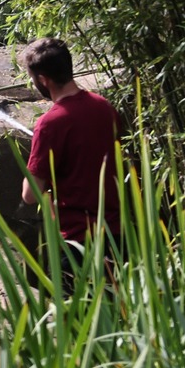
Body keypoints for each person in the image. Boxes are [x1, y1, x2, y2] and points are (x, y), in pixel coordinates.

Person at [19, 38, 123, 279]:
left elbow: (30, 194)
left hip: (79, 243)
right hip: (118, 236)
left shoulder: (50, 124)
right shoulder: (105, 107)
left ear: (43, 79)